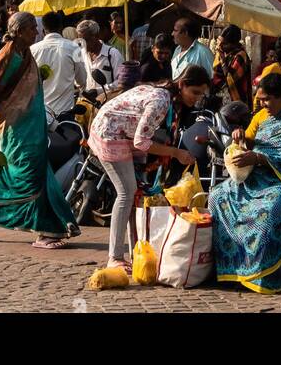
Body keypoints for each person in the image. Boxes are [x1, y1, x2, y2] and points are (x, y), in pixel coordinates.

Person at [0, 12, 79, 249]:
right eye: (31, 29)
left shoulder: (25, 53)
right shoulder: (8, 55)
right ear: (19, 31)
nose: (36, 33)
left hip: (33, 129)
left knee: (37, 178)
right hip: (17, 130)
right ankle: (37, 230)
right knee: (26, 179)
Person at [88, 65, 207, 270]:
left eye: (201, 95)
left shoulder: (164, 94)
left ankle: (136, 250)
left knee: (135, 195)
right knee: (126, 193)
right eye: (194, 92)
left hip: (121, 134)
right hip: (110, 134)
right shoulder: (161, 100)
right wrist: (176, 153)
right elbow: (141, 142)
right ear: (182, 85)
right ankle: (115, 257)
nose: (196, 98)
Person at [211, 72, 281, 294]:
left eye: (266, 99)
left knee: (268, 209)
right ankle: (231, 269)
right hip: (256, 177)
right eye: (259, 100)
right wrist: (241, 136)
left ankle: (266, 274)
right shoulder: (263, 117)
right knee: (218, 196)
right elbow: (250, 140)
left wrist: (259, 158)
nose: (262, 104)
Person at [32, 8, 86, 118]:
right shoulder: (74, 48)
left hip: (41, 114)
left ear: (43, 30)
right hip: (66, 113)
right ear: (61, 28)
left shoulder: (32, 50)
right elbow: (82, 80)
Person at [78, 19, 123, 97]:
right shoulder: (82, 54)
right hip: (89, 103)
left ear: (97, 36)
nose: (83, 44)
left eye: (86, 40)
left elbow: (121, 82)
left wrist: (98, 91)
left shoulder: (113, 54)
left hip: (108, 103)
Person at [212, 25, 252, 107]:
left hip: (238, 102)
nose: (220, 46)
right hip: (223, 101)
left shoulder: (241, 56)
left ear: (233, 44)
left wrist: (223, 62)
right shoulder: (223, 53)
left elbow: (230, 81)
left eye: (224, 44)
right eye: (219, 42)